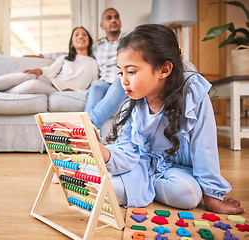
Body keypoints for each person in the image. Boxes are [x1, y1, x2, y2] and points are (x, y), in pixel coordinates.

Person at [57, 24, 245, 215]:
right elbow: (128, 152)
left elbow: (205, 147)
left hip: (176, 170)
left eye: (131, 71)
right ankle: (135, 183)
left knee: (189, 195)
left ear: (164, 70)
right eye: (120, 72)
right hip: (140, 164)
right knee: (111, 187)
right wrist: (101, 151)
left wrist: (212, 197)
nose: (123, 80)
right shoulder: (133, 103)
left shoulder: (191, 92)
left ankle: (141, 187)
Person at [0, 27, 98, 94]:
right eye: (76, 35)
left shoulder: (93, 63)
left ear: (89, 40)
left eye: (84, 34)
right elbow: (50, 71)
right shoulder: (65, 57)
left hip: (60, 91)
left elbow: (94, 87)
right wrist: (40, 70)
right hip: (52, 81)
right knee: (29, 76)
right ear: (72, 42)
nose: (80, 37)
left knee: (32, 85)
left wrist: (75, 91)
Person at [84, 8, 128, 131]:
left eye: (116, 17)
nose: (113, 20)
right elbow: (72, 53)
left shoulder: (129, 42)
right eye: (109, 18)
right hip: (103, 81)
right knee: (95, 87)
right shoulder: (96, 46)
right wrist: (41, 55)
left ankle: (86, 129)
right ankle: (91, 135)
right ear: (102, 25)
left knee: (119, 83)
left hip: (120, 79)